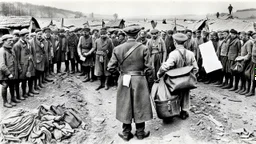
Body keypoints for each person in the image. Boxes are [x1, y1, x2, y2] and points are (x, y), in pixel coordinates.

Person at [107, 26, 153, 141]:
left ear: (126, 35)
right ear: (137, 35)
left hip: (124, 78)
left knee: (125, 104)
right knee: (140, 104)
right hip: (139, 79)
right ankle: (140, 132)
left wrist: (120, 74)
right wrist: (146, 79)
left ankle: (126, 133)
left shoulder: (117, 49)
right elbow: (149, 68)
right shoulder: (143, 48)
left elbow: (110, 67)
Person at [157, 33, 199, 119]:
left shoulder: (173, 54)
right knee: (185, 93)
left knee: (173, 94)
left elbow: (166, 66)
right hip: (187, 79)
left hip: (174, 79)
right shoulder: (190, 53)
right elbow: (196, 68)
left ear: (175, 42)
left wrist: (159, 73)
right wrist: (191, 75)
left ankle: (173, 111)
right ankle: (184, 112)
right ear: (184, 43)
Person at [13, 29, 36, 99]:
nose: (28, 37)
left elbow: (30, 52)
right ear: (22, 36)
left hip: (29, 64)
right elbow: (16, 59)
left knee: (30, 78)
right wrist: (19, 68)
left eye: (28, 35)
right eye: (26, 35)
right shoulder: (17, 45)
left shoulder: (28, 43)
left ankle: (29, 91)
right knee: (23, 80)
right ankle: (23, 93)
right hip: (22, 66)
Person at [0, 34, 20, 108]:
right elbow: (2, 65)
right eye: (9, 40)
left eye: (12, 40)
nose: (12, 42)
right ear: (4, 41)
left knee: (12, 85)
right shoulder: (2, 51)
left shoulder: (10, 49)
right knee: (5, 85)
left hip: (11, 72)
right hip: (4, 73)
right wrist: (8, 74)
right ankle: (5, 102)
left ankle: (13, 98)